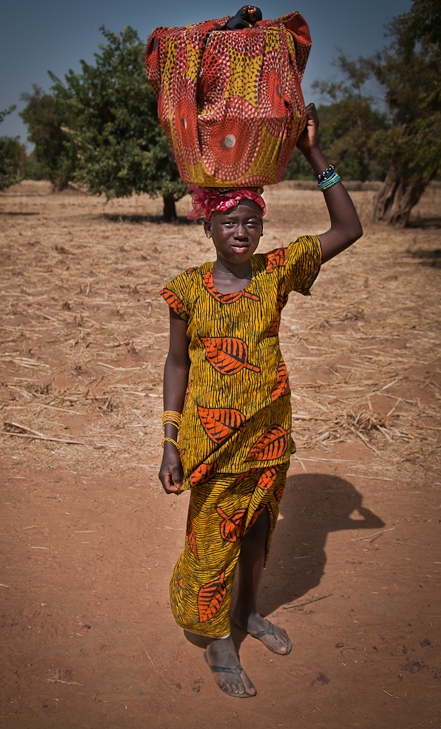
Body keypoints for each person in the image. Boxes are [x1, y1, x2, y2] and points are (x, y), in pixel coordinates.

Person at [158, 103, 362, 698]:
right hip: (211, 440)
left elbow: (348, 230)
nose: (240, 232)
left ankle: (248, 612)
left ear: (262, 228)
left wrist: (313, 154)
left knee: (255, 535)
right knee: (214, 539)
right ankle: (218, 638)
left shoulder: (276, 273)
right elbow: (177, 364)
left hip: (268, 436)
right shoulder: (186, 291)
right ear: (208, 228)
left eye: (250, 222)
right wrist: (169, 442)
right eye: (228, 223)